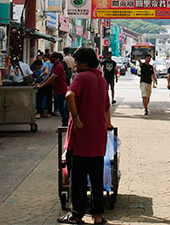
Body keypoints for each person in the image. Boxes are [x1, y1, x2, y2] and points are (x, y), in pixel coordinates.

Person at [59, 48, 111, 225]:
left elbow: (69, 95)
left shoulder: (81, 77)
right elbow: (106, 107)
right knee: (96, 180)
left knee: (78, 179)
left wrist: (74, 115)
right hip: (98, 137)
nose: (75, 66)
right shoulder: (102, 81)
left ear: (85, 63)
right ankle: (97, 216)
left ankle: (76, 215)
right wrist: (107, 125)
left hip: (81, 136)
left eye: (78, 62)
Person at [39, 52, 69, 126]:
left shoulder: (58, 66)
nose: (50, 59)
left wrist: (42, 85)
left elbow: (52, 78)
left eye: (51, 57)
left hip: (61, 89)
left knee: (62, 108)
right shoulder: (54, 65)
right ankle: (66, 123)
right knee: (62, 107)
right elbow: (49, 75)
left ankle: (65, 123)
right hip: (57, 89)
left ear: (55, 58)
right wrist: (41, 83)